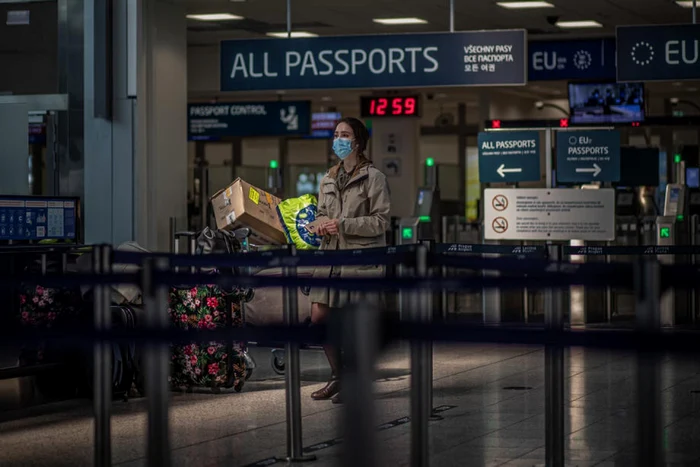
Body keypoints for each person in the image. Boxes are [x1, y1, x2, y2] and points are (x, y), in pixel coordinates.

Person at [308, 117, 391, 403]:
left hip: (359, 260)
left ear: (358, 141)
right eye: (336, 134)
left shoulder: (374, 177)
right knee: (319, 316)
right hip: (330, 258)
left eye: (345, 134)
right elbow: (320, 212)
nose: (339, 139)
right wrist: (320, 223)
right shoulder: (328, 178)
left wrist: (342, 225)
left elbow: (380, 222)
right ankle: (338, 375)